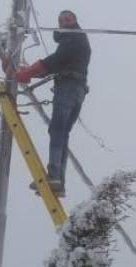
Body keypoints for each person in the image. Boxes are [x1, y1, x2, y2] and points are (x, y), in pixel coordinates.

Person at [15, 9, 91, 197]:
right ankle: (58, 183)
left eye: (68, 18)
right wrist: (30, 72)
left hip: (68, 88)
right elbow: (58, 65)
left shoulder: (74, 37)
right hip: (76, 88)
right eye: (61, 19)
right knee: (62, 133)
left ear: (74, 21)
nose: (64, 21)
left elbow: (56, 60)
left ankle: (54, 176)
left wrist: (30, 71)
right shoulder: (74, 42)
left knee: (57, 130)